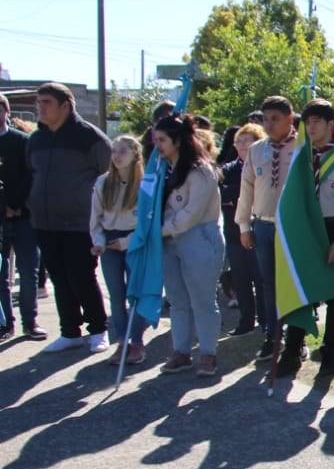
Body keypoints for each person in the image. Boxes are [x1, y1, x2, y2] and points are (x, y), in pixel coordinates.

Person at [280, 100, 334, 377]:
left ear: (331, 125)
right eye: (308, 122)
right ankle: (292, 350)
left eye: (317, 121)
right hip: (305, 229)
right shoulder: (301, 156)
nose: (312, 127)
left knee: (333, 294)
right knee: (300, 290)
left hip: (333, 229)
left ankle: (330, 351)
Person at [27, 82, 112, 354]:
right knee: (59, 279)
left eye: (46, 102)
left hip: (80, 223)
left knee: (81, 277)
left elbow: (110, 176)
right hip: (44, 222)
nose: (40, 108)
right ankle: (70, 332)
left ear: (66, 105)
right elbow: (31, 173)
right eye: (38, 103)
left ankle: (98, 329)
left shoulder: (90, 137)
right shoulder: (36, 139)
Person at [154, 115, 225, 378]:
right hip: (168, 243)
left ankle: (208, 353)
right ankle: (180, 351)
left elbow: (190, 214)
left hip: (199, 240)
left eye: (162, 139)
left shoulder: (201, 171)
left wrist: (158, 230)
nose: (157, 145)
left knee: (203, 300)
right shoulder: (160, 169)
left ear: (177, 140)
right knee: (177, 300)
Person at [235, 95, 297, 364]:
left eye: (276, 119)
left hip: (293, 227)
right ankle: (272, 335)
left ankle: (297, 337)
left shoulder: (303, 147)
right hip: (263, 224)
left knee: (292, 283)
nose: (270, 125)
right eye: (266, 119)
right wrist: (244, 225)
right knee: (268, 283)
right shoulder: (257, 150)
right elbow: (246, 189)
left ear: (289, 120)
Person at [90, 135, 146, 366]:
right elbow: (95, 218)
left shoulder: (144, 184)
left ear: (135, 155)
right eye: (114, 151)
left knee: (135, 295)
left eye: (123, 151)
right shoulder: (103, 182)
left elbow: (146, 223)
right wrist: (99, 241)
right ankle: (122, 341)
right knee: (116, 295)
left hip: (134, 240)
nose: (117, 156)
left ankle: (136, 343)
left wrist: (127, 242)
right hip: (109, 241)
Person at [0, 92, 44, 340]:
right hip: (0, 219)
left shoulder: (23, 141)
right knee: (1, 274)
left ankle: (31, 322)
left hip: (25, 217)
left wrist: (16, 205)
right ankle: (5, 323)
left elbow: (32, 177)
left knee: (29, 272)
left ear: (7, 111)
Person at [220, 123, 266, 337]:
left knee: (262, 279)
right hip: (234, 233)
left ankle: (267, 322)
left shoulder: (265, 167)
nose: (242, 145)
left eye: (247, 140)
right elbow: (223, 195)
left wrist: (239, 195)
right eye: (238, 141)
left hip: (260, 231)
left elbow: (261, 194)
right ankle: (246, 321)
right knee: (240, 279)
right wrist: (243, 192)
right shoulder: (228, 169)